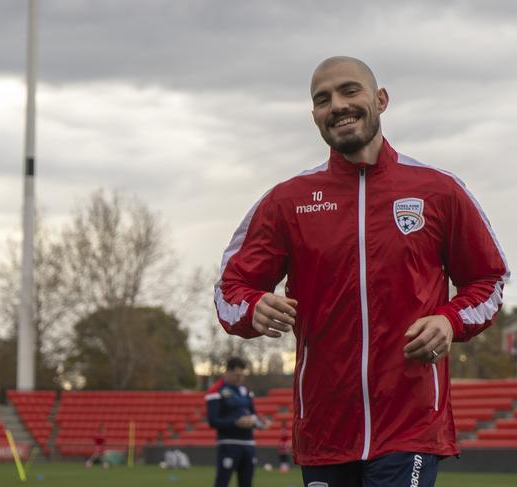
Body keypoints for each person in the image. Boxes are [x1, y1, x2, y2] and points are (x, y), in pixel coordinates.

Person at [214, 56, 509, 487]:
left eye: (350, 91)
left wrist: (450, 319)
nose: (337, 104)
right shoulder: (287, 200)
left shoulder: (438, 190)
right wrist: (253, 307)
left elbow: (490, 280)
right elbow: (230, 288)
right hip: (325, 429)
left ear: (381, 99)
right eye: (322, 99)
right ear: (314, 115)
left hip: (410, 424)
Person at [205, 357, 269, 487]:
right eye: (236, 375)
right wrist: (235, 422)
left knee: (247, 483)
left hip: (249, 443)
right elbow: (212, 421)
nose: (240, 378)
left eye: (242, 375)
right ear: (227, 372)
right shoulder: (216, 391)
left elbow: (253, 414)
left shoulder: (246, 391)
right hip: (228, 443)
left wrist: (260, 423)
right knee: (222, 482)